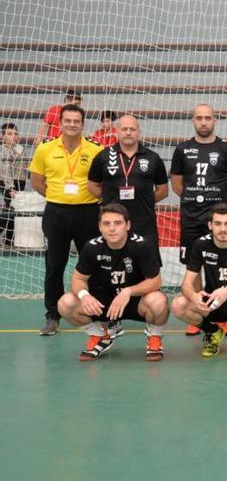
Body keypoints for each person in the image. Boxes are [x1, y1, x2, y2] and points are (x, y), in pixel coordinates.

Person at [56, 203, 168, 361]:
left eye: (118, 223)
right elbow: (78, 279)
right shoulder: (92, 248)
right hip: (104, 303)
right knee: (65, 303)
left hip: (135, 301)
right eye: (106, 223)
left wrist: (128, 291)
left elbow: (155, 282)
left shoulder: (142, 245)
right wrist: (84, 295)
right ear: (100, 227)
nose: (112, 228)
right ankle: (100, 336)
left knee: (158, 301)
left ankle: (154, 337)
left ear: (127, 225)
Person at [28, 104, 103, 336]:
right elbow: (37, 181)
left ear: (83, 124)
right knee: (54, 265)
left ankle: (98, 311)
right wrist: (57, 196)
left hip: (88, 212)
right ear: (60, 123)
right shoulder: (45, 149)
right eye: (67, 121)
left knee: (94, 265)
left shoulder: (95, 150)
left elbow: (102, 182)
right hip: (56, 214)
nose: (72, 124)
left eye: (76, 121)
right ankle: (52, 315)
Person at [170, 104, 227, 335]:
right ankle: (201, 313)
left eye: (208, 118)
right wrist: (195, 199)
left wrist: (220, 204)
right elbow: (177, 184)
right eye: (199, 118)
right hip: (191, 217)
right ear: (193, 121)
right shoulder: (182, 149)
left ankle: (219, 314)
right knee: (195, 267)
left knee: (219, 265)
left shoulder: (226, 149)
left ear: (215, 120)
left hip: (217, 218)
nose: (203, 122)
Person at [171, 203, 227, 358]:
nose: (223, 229)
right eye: (218, 224)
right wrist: (194, 297)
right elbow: (187, 284)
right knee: (178, 305)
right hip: (211, 303)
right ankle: (212, 332)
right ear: (210, 225)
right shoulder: (201, 244)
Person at [87, 114, 169, 265]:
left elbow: (163, 190)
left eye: (132, 129)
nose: (128, 132)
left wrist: (144, 200)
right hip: (113, 224)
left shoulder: (153, 158)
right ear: (117, 131)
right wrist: (109, 199)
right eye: (124, 129)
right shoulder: (103, 156)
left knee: (148, 266)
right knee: (112, 266)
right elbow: (92, 186)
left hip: (144, 223)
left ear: (139, 132)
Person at [1, 123, 27, 246]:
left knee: (14, 210)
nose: (14, 136)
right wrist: (10, 188)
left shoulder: (21, 149)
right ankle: (8, 240)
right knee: (10, 209)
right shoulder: (2, 151)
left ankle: (9, 240)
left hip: (20, 181)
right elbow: (5, 170)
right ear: (3, 136)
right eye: (10, 134)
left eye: (16, 134)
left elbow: (26, 166)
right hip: (7, 182)